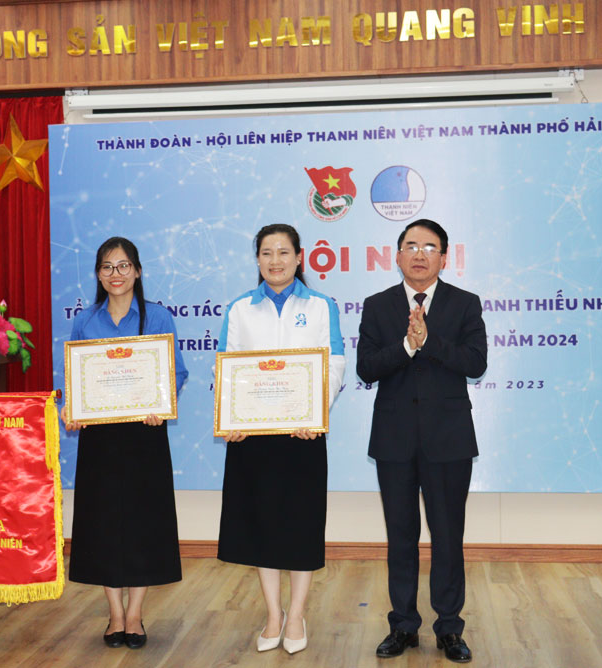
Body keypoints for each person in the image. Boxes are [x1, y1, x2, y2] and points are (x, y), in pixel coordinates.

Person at [355, 219, 487, 664]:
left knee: (448, 537)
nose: (419, 254)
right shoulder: (377, 305)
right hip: (394, 439)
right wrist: (407, 348)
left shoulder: (464, 304)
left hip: (448, 440)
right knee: (401, 537)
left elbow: (475, 363)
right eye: (410, 245)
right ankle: (403, 625)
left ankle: (449, 628)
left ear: (443, 258)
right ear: (397, 255)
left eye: (429, 247)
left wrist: (429, 341)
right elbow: (367, 367)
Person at [216, 223, 345, 655]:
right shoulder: (240, 309)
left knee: (300, 527)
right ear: (257, 259)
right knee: (262, 527)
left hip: (302, 435)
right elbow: (226, 367)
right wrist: (231, 416)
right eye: (267, 253)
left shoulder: (322, 306)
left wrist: (316, 413)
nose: (276, 261)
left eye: (284, 252)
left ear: (299, 257)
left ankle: (297, 614)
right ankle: (273, 614)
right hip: (252, 437)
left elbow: (335, 363)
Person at [63, 237, 187, 651]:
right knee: (102, 525)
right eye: (107, 267)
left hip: (144, 435)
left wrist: (162, 403)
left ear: (137, 271)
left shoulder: (159, 317)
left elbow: (177, 372)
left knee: (142, 524)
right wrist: (71, 408)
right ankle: (114, 613)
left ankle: (135, 614)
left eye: (123, 266)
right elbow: (73, 377)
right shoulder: (86, 320)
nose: (115, 274)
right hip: (99, 437)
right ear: (98, 275)